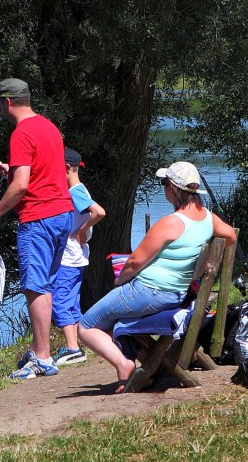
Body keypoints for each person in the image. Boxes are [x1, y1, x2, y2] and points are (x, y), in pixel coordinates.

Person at [77, 161, 236, 393]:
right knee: (112, 318)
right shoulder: (208, 219)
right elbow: (231, 236)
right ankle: (147, 363)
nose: (164, 188)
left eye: (164, 183)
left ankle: (124, 366)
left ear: (173, 188)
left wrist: (119, 281)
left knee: (87, 326)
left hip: (148, 292)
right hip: (176, 293)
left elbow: (135, 261)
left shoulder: (171, 223)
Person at [0, 78, 74, 380]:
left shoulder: (21, 133)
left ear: (6, 102)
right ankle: (40, 349)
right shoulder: (48, 127)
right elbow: (40, 171)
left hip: (38, 218)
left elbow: (21, 187)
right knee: (46, 282)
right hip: (62, 214)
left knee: (36, 286)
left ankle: (42, 357)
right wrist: (13, 168)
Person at [51, 147, 106, 366]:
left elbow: (99, 212)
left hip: (69, 257)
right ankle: (77, 344)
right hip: (76, 257)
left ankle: (73, 348)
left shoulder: (75, 192)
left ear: (65, 169)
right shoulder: (78, 189)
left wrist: (82, 230)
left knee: (59, 300)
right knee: (72, 301)